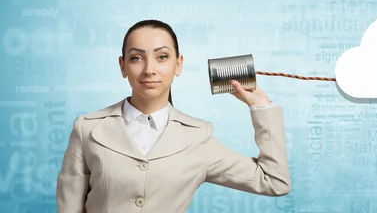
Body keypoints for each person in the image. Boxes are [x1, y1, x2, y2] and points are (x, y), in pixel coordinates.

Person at [56, 19, 291, 213]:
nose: (149, 69)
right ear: (122, 65)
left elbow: (273, 181)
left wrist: (262, 108)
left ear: (178, 65)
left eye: (162, 57)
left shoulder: (198, 139)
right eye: (136, 58)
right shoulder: (87, 130)